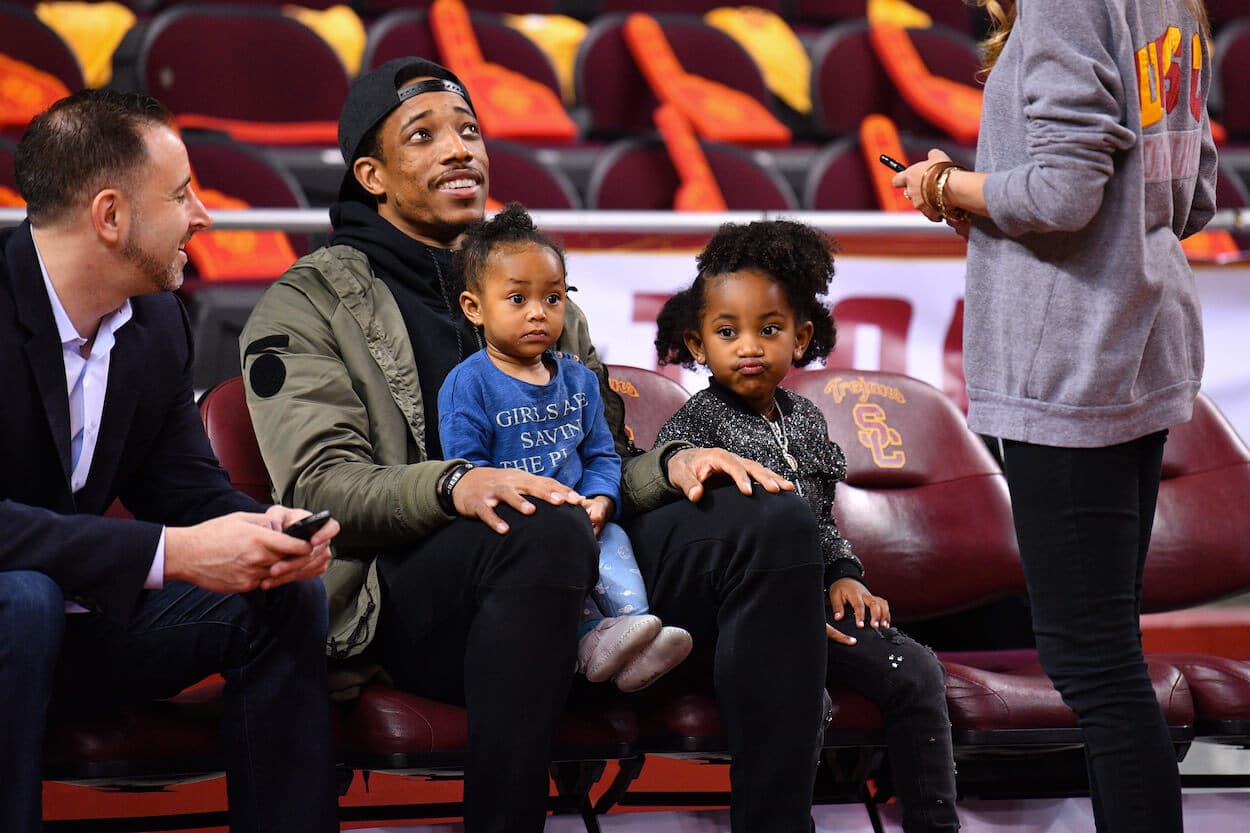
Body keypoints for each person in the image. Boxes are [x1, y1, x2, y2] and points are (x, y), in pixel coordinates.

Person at [240, 56, 829, 833]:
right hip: (414, 595)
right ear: (372, 176)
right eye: (425, 136)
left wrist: (674, 464)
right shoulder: (306, 302)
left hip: (575, 568)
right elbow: (321, 487)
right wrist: (456, 485)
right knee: (538, 522)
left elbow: (601, 461)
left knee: (769, 517)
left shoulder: (536, 285)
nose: (460, 150)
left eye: (470, 131)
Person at [890, 2, 1217, 831]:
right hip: (1139, 340)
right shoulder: (1170, 4)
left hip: (1072, 360)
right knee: (1107, 651)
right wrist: (1000, 200)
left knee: (1093, 662)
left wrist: (946, 183)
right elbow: (1196, 191)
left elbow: (1067, 194)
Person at [0, 89, 341, 833]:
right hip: (16, 619)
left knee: (282, 596)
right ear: (111, 216)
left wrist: (268, 530)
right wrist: (170, 552)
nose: (205, 216)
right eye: (183, 194)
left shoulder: (155, 320)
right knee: (20, 598)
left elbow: (186, 487)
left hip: (76, 625)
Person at [653, 219, 960, 833]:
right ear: (696, 344)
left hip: (816, 611)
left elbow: (820, 518)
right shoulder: (695, 429)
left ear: (801, 338)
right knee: (797, 692)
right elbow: (702, 548)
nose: (749, 347)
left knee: (917, 669)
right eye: (726, 331)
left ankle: (935, 823)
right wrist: (784, 608)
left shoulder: (808, 421)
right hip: (739, 622)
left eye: (769, 330)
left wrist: (845, 574)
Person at [437, 203, 693, 692]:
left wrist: (602, 499)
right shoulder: (466, 385)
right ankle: (586, 644)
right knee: (558, 555)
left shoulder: (577, 378)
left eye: (553, 298)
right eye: (517, 298)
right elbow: (470, 470)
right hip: (522, 527)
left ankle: (633, 636)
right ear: (474, 308)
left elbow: (601, 453)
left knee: (615, 543)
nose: (539, 312)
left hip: (586, 516)